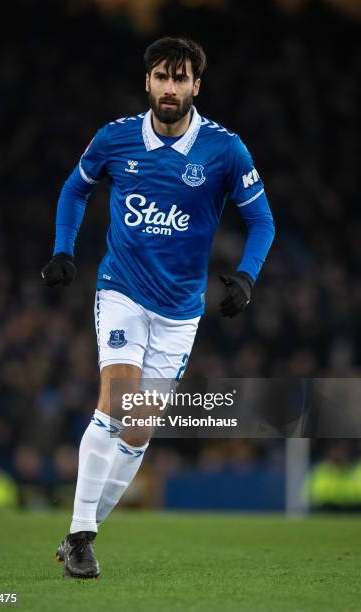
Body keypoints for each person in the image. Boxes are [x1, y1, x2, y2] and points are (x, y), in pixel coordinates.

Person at [41, 37, 275, 579]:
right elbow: (75, 190)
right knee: (118, 403)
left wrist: (246, 276)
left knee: (141, 430)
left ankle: (78, 529)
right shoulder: (115, 139)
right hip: (122, 290)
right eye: (161, 77)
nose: (170, 88)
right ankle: (82, 538)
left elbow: (262, 220)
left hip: (181, 311)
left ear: (197, 85)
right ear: (147, 82)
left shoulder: (225, 149)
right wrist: (63, 249)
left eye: (181, 78)